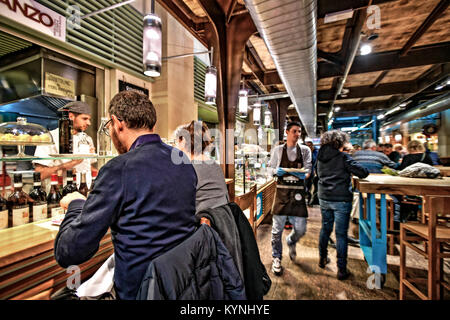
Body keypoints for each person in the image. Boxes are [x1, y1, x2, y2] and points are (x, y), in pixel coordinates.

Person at [54, 90, 198, 300]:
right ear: (151, 124)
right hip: (181, 284)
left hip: (139, 291)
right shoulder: (182, 161)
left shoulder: (118, 169)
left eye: (109, 128)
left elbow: (69, 252)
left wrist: (76, 203)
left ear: (116, 123)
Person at [316, 130, 369, 280]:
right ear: (339, 142)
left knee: (325, 229)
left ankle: (322, 258)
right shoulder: (343, 157)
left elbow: (316, 174)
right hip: (341, 199)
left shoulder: (320, 158)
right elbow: (363, 172)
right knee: (340, 235)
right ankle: (341, 269)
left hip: (324, 197)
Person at [268, 122, 312, 275]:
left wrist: (304, 174)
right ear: (287, 132)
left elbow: (308, 171)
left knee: (301, 229)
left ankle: (291, 241)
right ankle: (276, 257)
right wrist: (275, 171)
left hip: (298, 194)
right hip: (281, 193)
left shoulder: (305, 150)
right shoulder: (278, 151)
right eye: (294, 131)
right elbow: (269, 169)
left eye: (299, 131)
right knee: (276, 230)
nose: (297, 134)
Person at [33, 101, 97, 181]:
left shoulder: (87, 139)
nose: (89, 123)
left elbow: (87, 167)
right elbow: (40, 174)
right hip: (59, 190)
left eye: (89, 119)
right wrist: (71, 164)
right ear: (71, 117)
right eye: (84, 119)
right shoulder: (49, 137)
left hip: (83, 188)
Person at [174, 120, 229, 213]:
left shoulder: (189, 169)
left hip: (200, 225)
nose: (175, 146)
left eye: (176, 142)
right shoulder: (215, 165)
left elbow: (177, 204)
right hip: (222, 223)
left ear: (183, 141)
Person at [304, 137, 318, 205]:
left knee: (314, 187)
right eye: (307, 145)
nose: (309, 146)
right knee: (307, 186)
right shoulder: (304, 151)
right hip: (306, 172)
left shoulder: (316, 151)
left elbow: (317, 161)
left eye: (310, 145)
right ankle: (308, 198)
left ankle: (312, 201)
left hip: (314, 172)